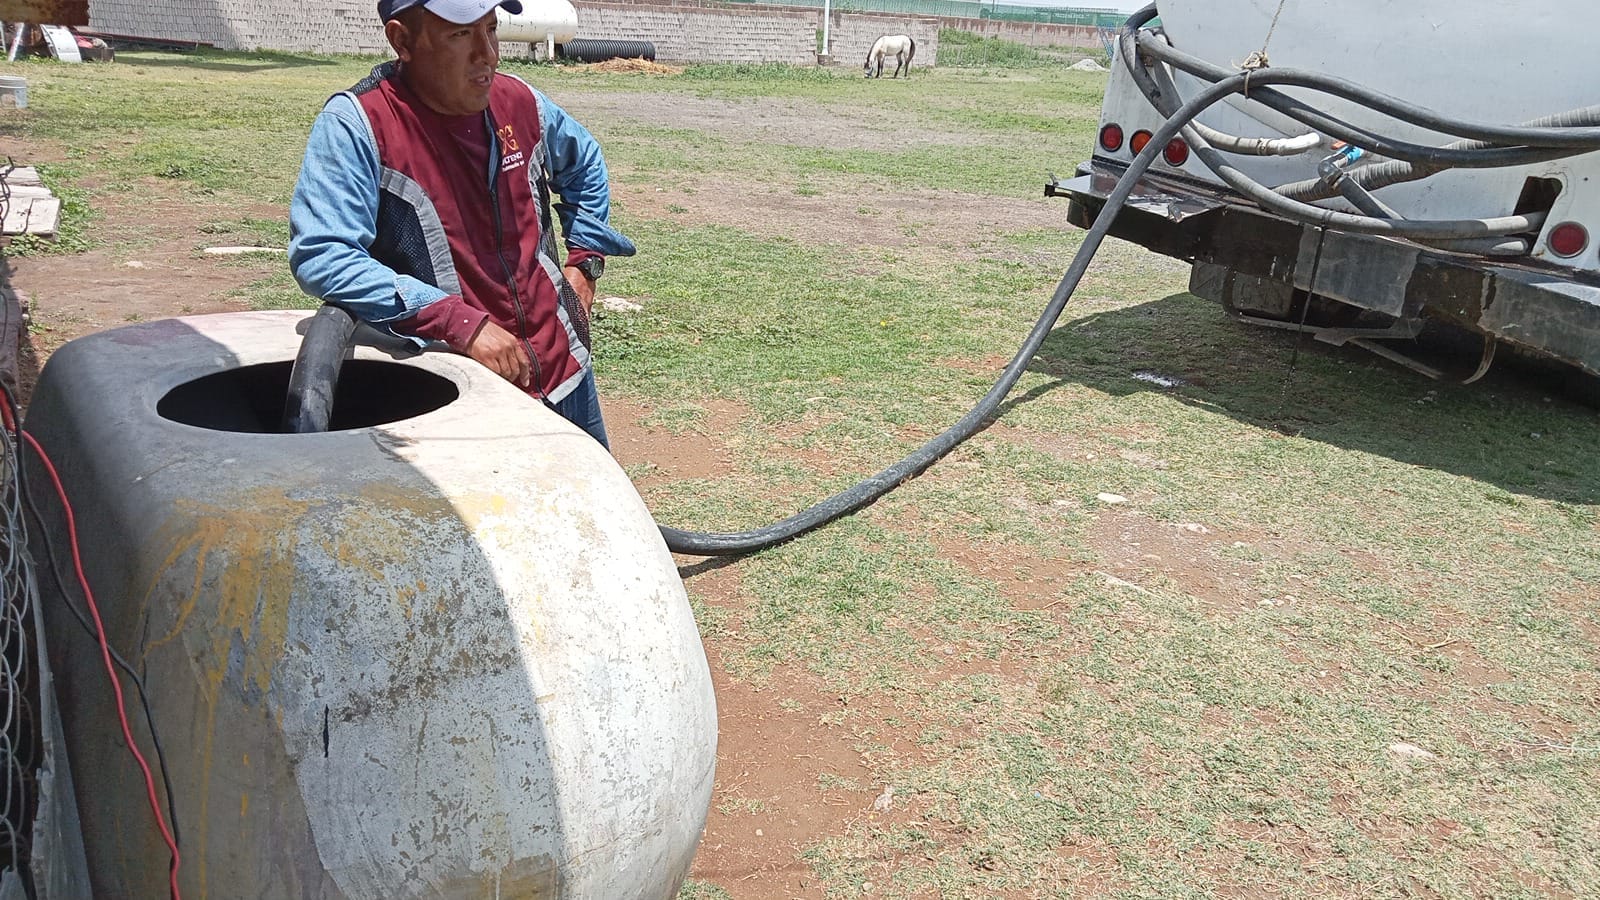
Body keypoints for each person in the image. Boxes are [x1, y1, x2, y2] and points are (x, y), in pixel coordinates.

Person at [288, 0, 634, 448]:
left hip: (565, 370)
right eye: (459, 34)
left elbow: (585, 161)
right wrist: (459, 323)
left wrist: (585, 264)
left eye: (490, 29)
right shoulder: (359, 125)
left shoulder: (520, 103)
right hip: (463, 393)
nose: (486, 53)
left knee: (597, 512)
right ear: (402, 40)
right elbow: (324, 254)